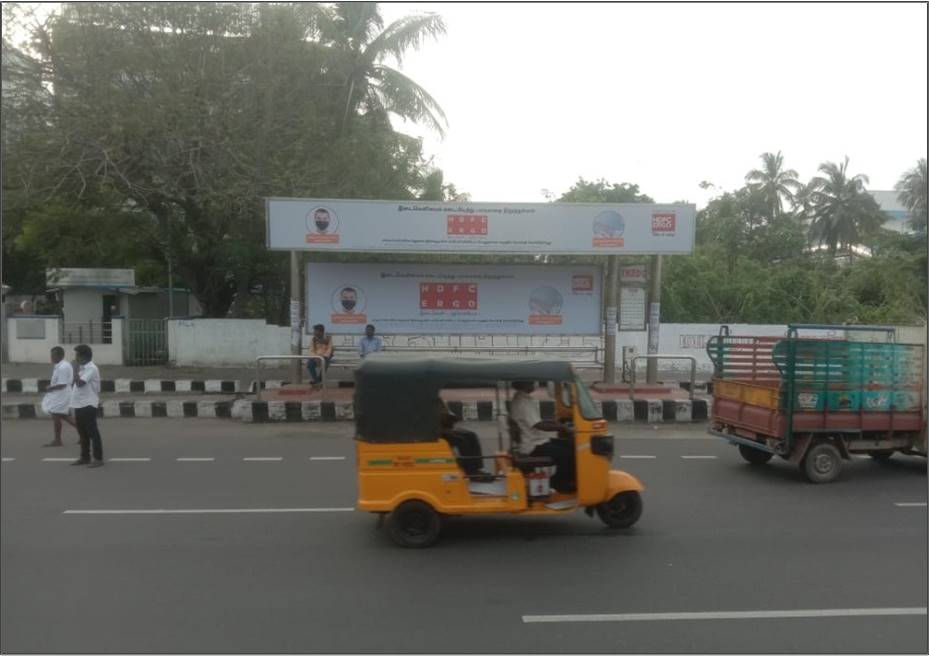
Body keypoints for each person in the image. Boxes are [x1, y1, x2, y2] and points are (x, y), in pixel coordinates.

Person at [509, 381, 575, 492]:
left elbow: (536, 421)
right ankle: (561, 484)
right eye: (532, 381)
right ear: (525, 384)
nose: (534, 384)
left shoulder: (520, 399)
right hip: (533, 445)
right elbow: (538, 425)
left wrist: (555, 423)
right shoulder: (524, 402)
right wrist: (563, 428)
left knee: (570, 445)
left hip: (536, 440)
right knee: (568, 454)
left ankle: (562, 480)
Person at [70, 344, 104, 467]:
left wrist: (74, 369)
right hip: (79, 404)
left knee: (92, 432)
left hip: (88, 404)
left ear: (83, 356)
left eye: (77, 355)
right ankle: (85, 457)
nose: (75, 358)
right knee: (82, 433)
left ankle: (98, 458)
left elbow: (79, 383)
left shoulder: (91, 368)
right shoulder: (83, 368)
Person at [436, 398, 488, 477]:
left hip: (444, 428)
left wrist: (450, 417)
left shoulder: (436, 400)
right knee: (461, 441)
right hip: (436, 433)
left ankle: (476, 468)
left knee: (471, 435)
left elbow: (445, 413)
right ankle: (469, 470)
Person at [41, 346, 76, 447]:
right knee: (64, 416)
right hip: (61, 394)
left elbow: (62, 384)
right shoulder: (61, 365)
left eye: (53, 355)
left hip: (62, 394)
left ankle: (57, 440)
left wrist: (50, 388)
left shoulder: (63, 367)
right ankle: (85, 433)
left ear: (60, 355)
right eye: (51, 355)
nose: (51, 357)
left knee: (57, 416)